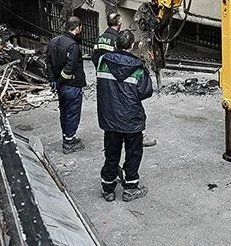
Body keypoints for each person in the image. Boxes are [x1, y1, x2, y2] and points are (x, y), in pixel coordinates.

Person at [96, 30, 153, 202]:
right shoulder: (137, 66)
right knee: (133, 153)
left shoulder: (103, 61)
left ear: (115, 44)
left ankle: (108, 189)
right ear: (131, 46)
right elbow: (145, 91)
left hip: (110, 117)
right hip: (131, 118)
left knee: (111, 154)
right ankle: (130, 188)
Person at [93, 13, 158, 147]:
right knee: (126, 106)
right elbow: (145, 91)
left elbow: (95, 57)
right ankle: (137, 136)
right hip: (122, 82)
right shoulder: (118, 41)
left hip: (106, 77)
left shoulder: (100, 39)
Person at [46, 16, 87, 154]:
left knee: (64, 112)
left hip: (61, 86)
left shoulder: (54, 41)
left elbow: (48, 63)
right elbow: (70, 68)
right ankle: (69, 142)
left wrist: (53, 80)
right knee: (72, 113)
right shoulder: (73, 46)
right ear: (77, 28)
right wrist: (60, 81)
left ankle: (66, 136)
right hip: (71, 85)